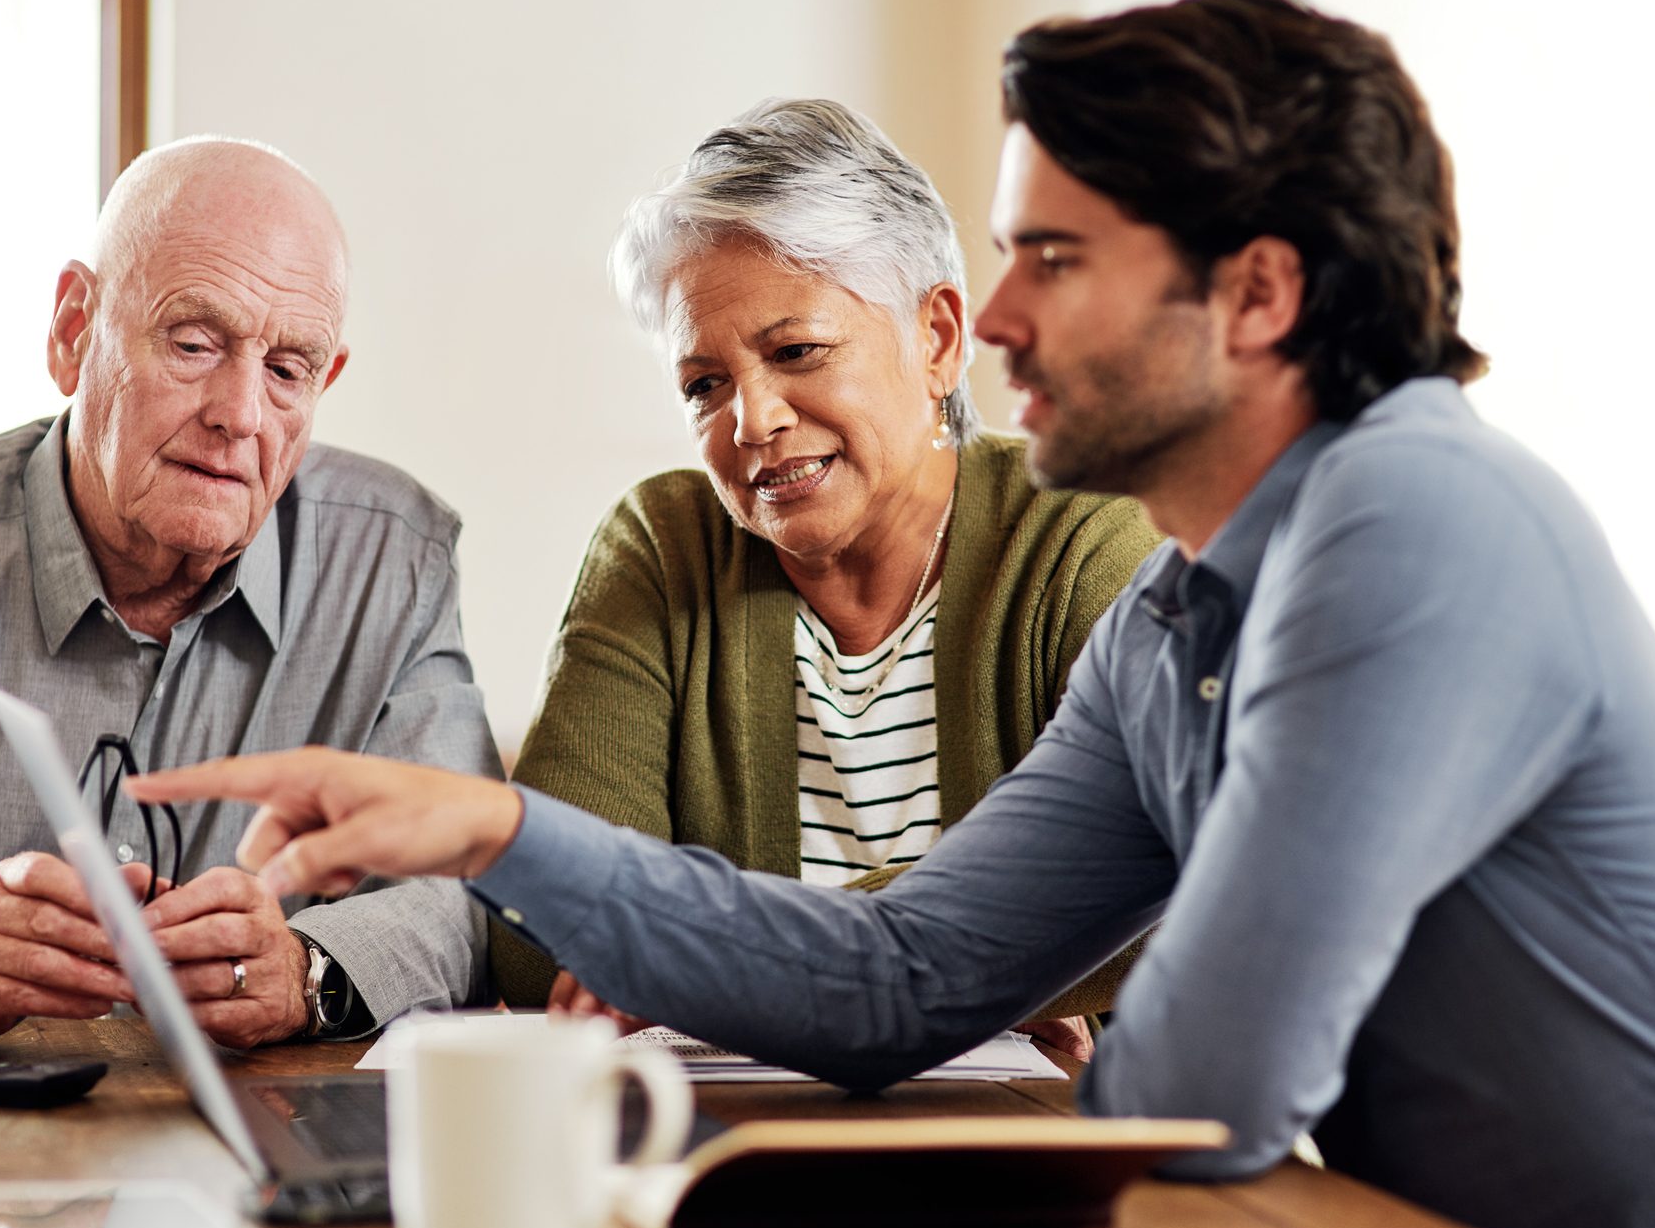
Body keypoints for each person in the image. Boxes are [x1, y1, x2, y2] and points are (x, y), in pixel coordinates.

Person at [134, 0, 1655, 1228]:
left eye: (1052, 257)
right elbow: (894, 980)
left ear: (1257, 293)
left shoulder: (1413, 516)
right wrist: (487, 831)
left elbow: (1196, 1094)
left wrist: (1111, 1054)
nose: (988, 317)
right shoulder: (1178, 615)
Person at [0, 137, 500, 1049]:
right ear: (73, 331)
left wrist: (306, 968)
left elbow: (460, 890)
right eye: (195, 343)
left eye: (286, 370)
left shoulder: (395, 561)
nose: (240, 413)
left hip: (262, 1153)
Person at [496, 100, 1161, 1055]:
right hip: (718, 1149)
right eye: (703, 384)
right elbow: (541, 934)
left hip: (1037, 1144)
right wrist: (992, 967)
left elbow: (1158, 884)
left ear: (936, 339)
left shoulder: (1086, 538)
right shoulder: (662, 546)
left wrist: (696, 957)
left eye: (794, 351)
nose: (750, 421)